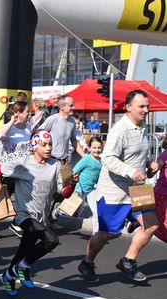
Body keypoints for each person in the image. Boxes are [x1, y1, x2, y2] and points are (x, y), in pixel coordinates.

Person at [78, 90, 159, 282]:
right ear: (128, 107)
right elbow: (108, 158)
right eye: (141, 106)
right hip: (115, 191)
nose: (146, 110)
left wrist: (148, 164)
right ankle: (87, 262)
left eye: (147, 106)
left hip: (139, 187)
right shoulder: (119, 130)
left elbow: (138, 154)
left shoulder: (143, 127)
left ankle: (127, 261)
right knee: (107, 234)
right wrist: (131, 171)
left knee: (152, 225)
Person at [0, 130, 62, 296]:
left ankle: (8, 276)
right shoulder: (23, 163)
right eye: (44, 145)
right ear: (34, 146)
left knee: (23, 250)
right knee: (52, 240)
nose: (48, 148)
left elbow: (61, 193)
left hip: (42, 217)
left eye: (50, 144)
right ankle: (23, 267)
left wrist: (73, 183)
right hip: (24, 215)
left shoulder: (55, 165)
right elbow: (1, 170)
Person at [0, 100, 33, 237]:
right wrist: (12, 121)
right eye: (27, 111)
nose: (29, 114)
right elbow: (0, 136)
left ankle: (16, 224)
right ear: (18, 113)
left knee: (24, 200)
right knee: (2, 202)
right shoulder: (8, 127)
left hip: (23, 171)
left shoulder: (28, 126)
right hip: (8, 171)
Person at [71, 136, 103, 233]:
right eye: (94, 148)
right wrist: (77, 187)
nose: (97, 150)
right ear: (89, 148)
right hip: (79, 189)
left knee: (96, 211)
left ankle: (96, 233)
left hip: (90, 190)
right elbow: (74, 171)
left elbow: (98, 177)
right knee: (72, 211)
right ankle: (56, 211)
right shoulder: (86, 159)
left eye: (99, 148)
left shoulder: (101, 162)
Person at [152, 146, 167, 243]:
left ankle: (141, 224)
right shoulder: (165, 154)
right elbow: (153, 171)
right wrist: (152, 168)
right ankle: (142, 224)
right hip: (162, 194)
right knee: (162, 224)